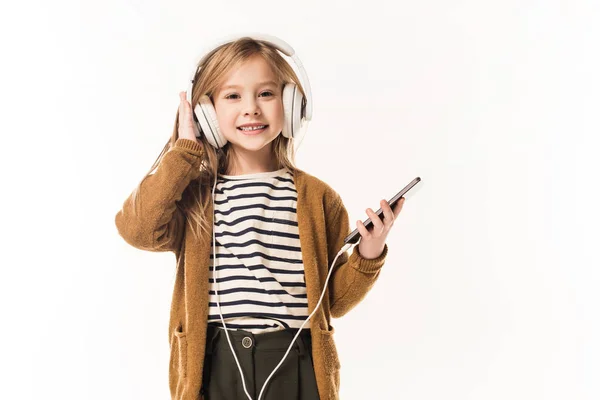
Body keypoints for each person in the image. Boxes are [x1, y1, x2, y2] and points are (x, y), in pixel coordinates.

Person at [115, 34, 405, 400]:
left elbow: (334, 302)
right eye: (233, 96)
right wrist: (185, 152)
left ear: (292, 104)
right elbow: (137, 230)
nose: (251, 108)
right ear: (206, 112)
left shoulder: (318, 198)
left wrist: (368, 254)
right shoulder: (195, 195)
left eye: (266, 94)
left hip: (296, 362)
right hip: (215, 361)